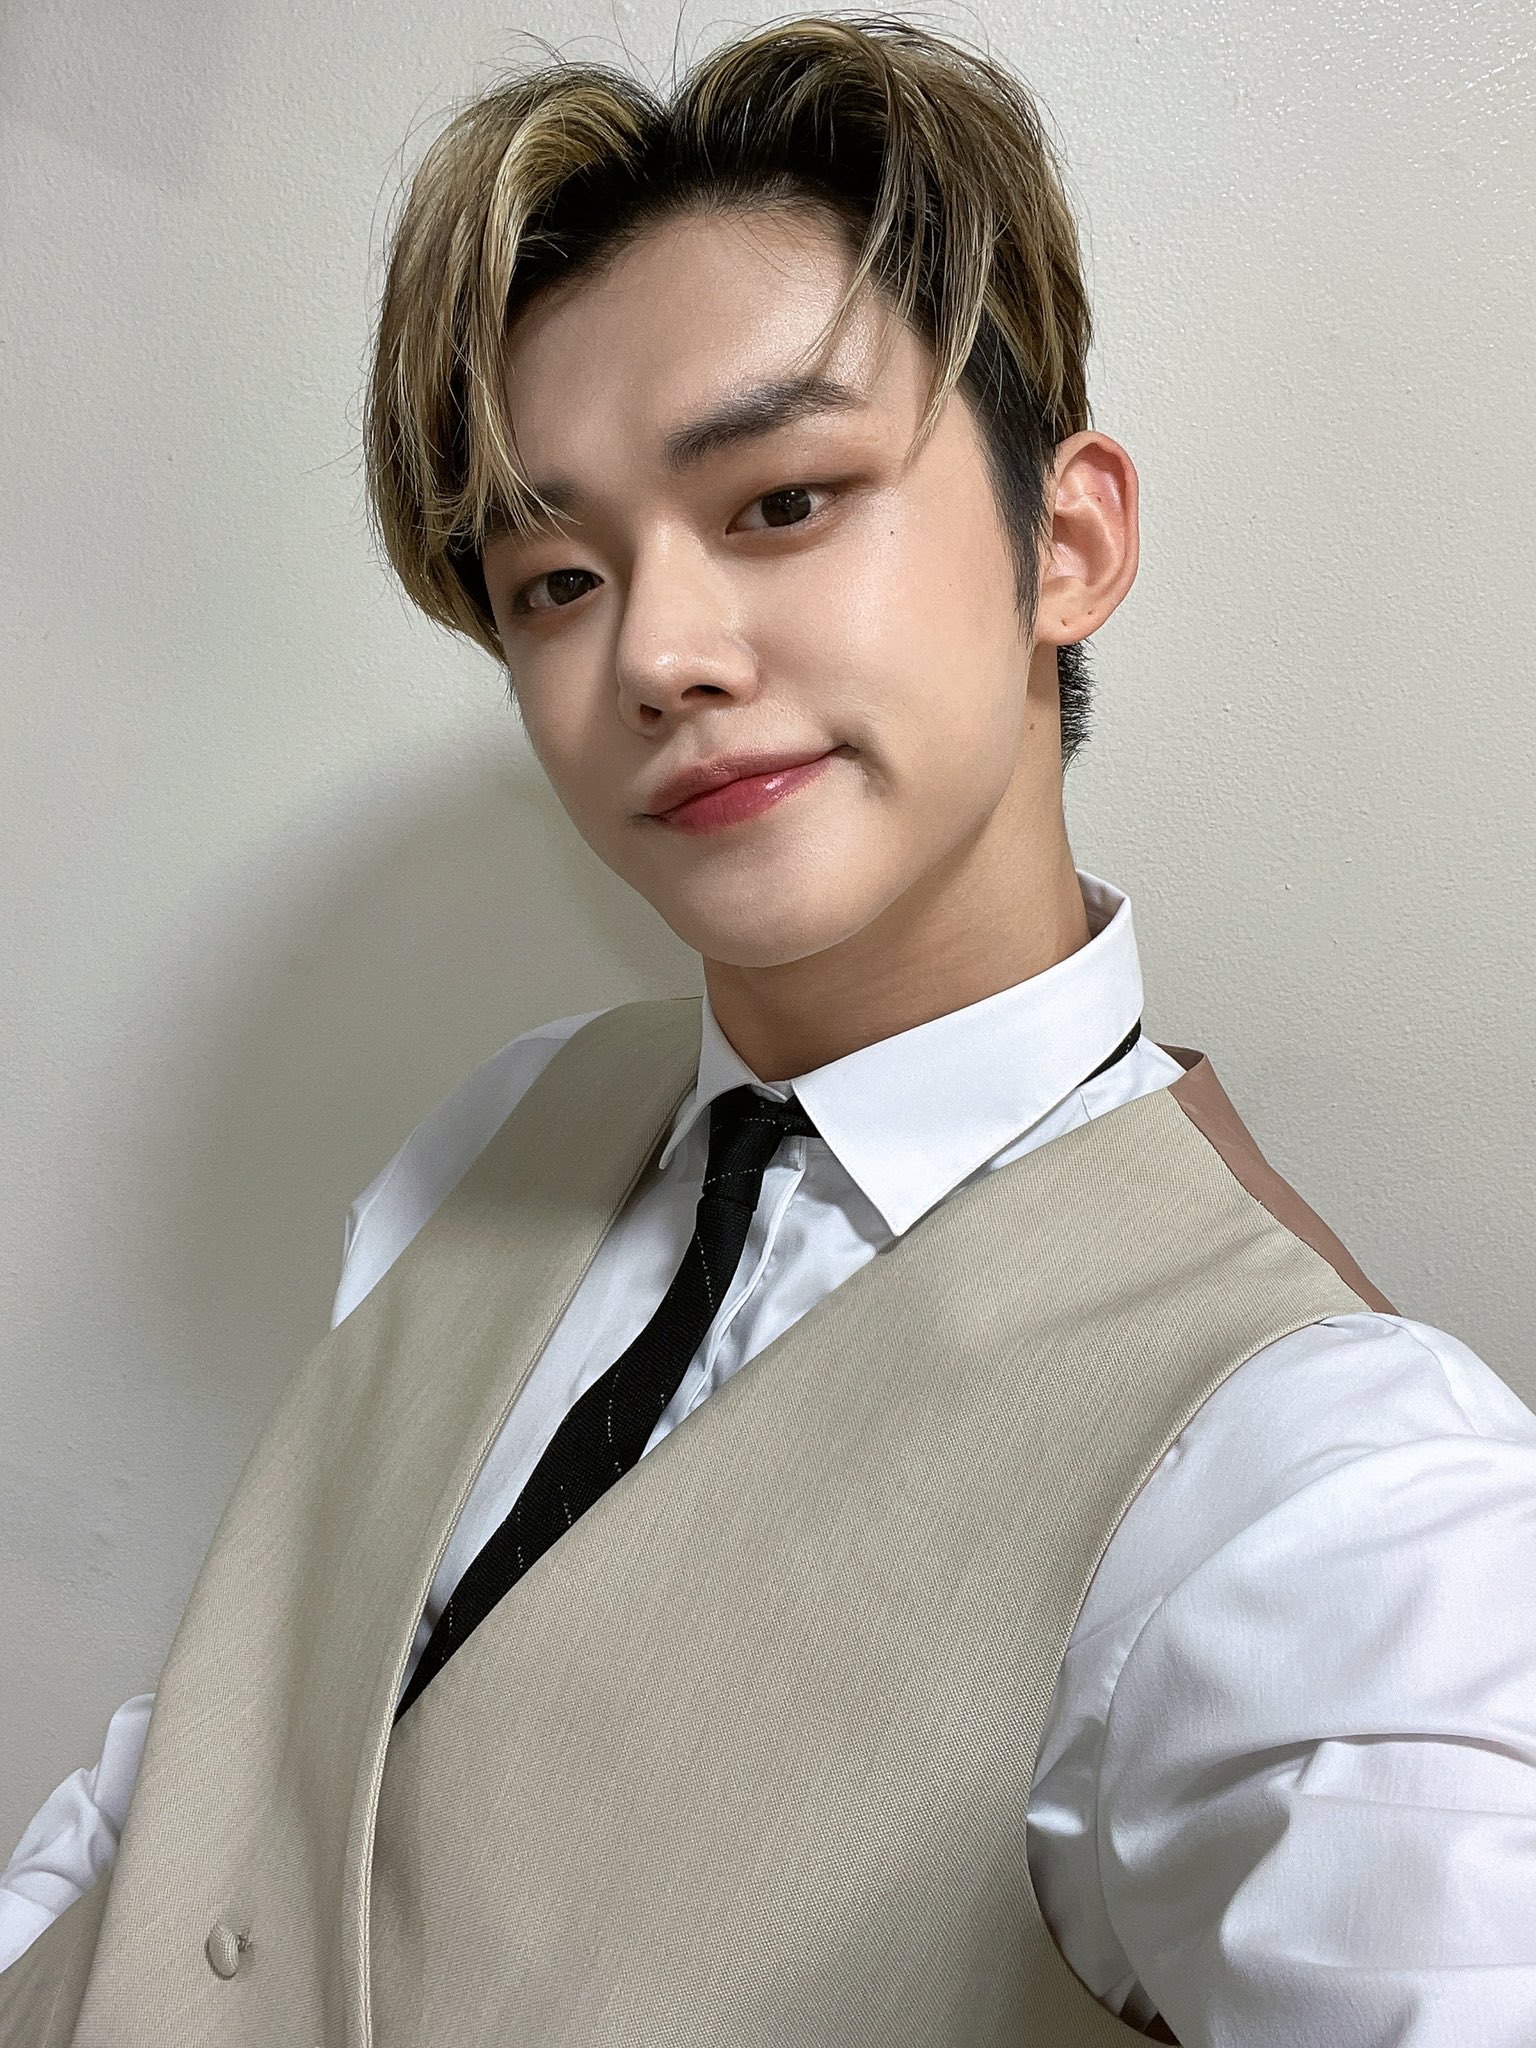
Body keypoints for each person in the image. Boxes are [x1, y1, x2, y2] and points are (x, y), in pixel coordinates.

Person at [3, 14, 1533, 2046]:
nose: (655, 651)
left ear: (1067, 544)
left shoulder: (1323, 1482)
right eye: (555, 579)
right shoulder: (502, 1126)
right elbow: (215, 1749)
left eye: (785, 499)